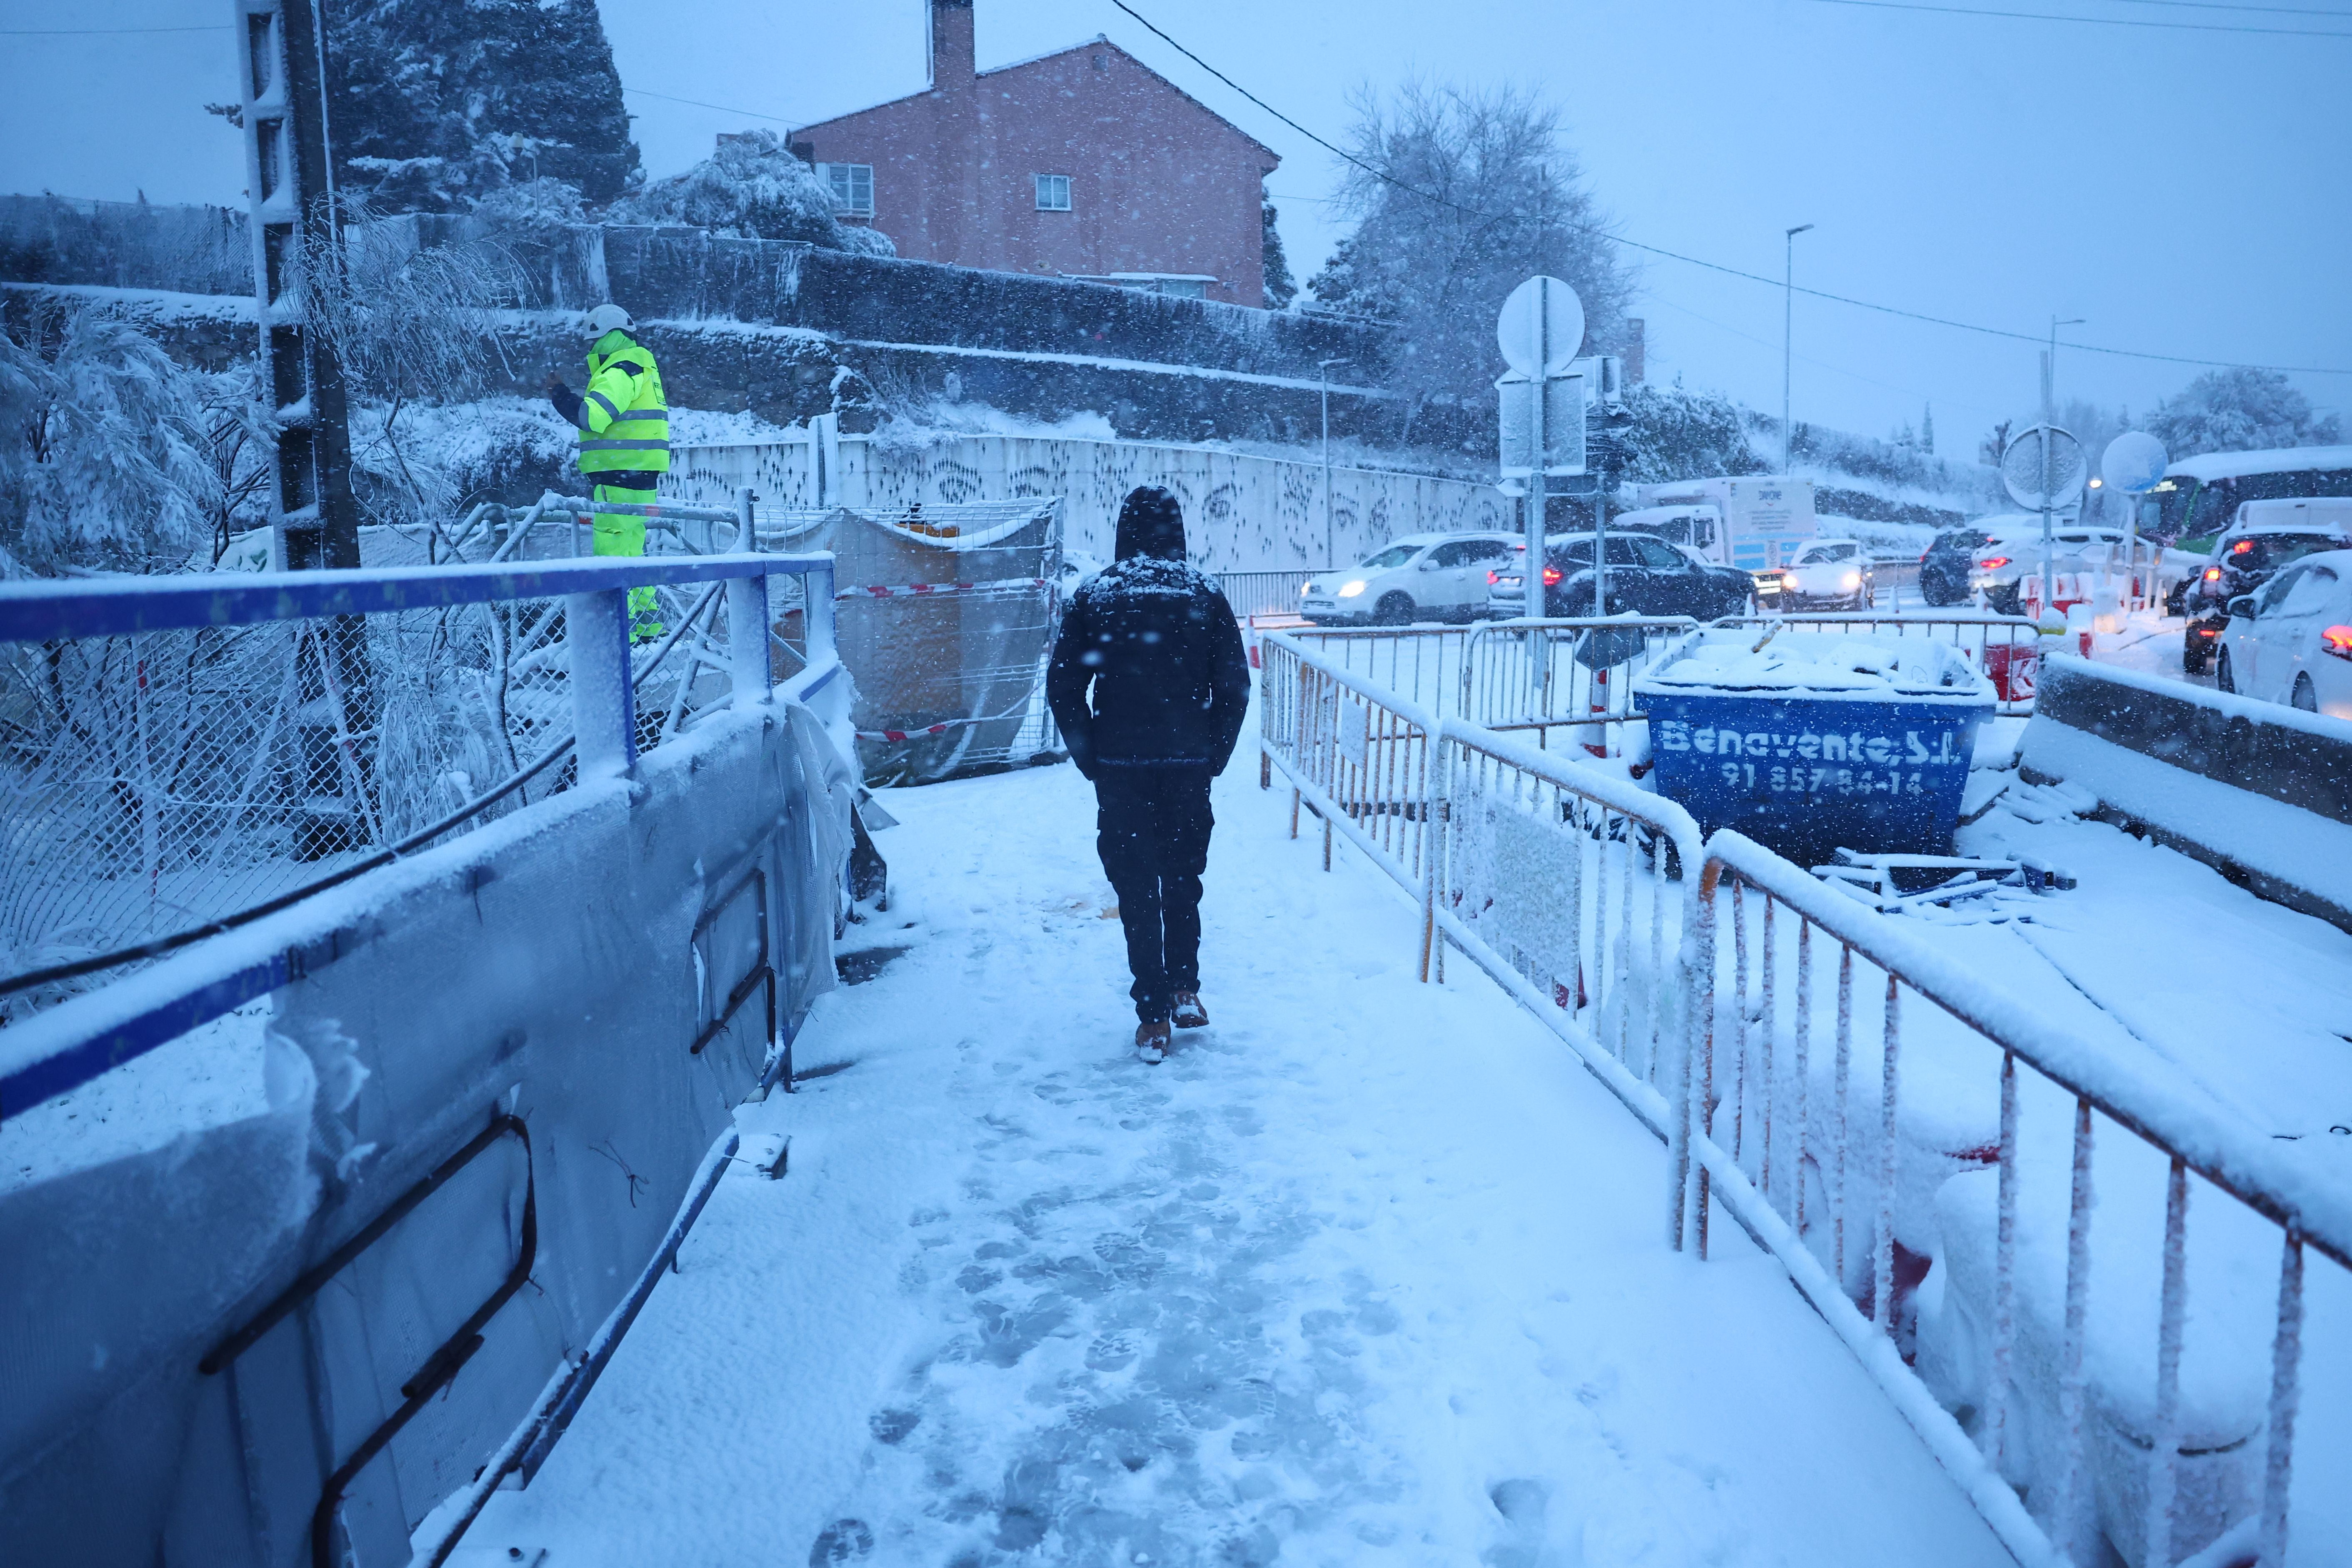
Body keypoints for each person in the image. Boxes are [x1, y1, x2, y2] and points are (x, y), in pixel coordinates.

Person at [1047, 487, 1251, 1063]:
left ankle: (1153, 1012)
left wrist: (1093, 756)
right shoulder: (1203, 593)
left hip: (1122, 769)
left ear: (1124, 530)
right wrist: (1213, 753)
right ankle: (1185, 985)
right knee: (1183, 878)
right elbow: (1233, 686)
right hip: (1187, 766)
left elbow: (1064, 690)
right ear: (1178, 531)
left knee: (1137, 889)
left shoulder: (1096, 595)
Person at [545, 303, 670, 642]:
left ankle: (616, 632)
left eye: (592, 341)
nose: (590, 348)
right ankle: (646, 629)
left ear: (606, 336)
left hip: (618, 478)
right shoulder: (642, 366)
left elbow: (593, 417)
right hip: (639, 476)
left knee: (612, 553)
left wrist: (560, 395)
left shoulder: (621, 368)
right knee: (633, 553)